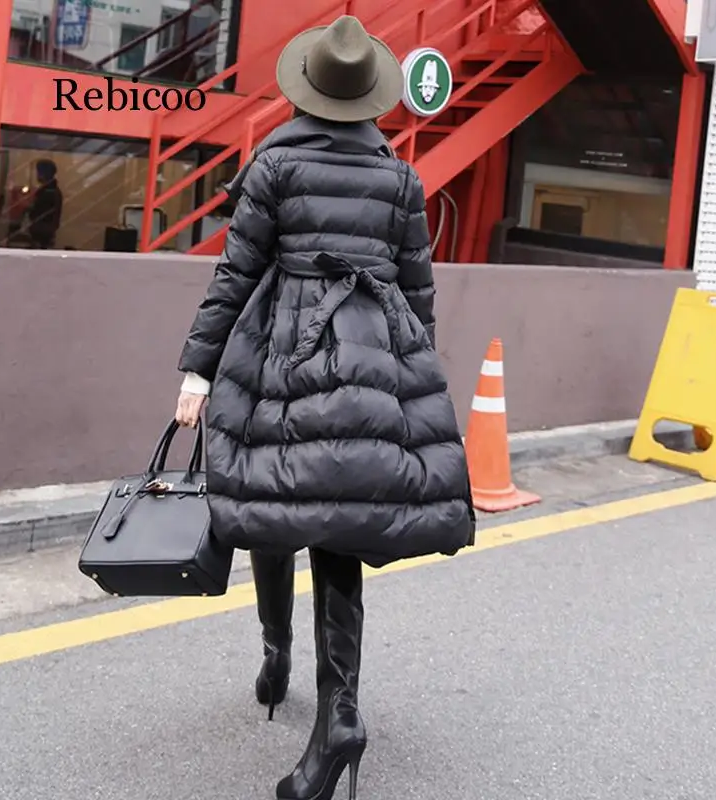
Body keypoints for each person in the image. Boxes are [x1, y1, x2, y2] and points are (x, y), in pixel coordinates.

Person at [174, 15, 475, 800]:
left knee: (273, 499)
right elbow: (418, 293)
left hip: (285, 356)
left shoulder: (273, 167)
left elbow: (235, 276)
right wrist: (412, 376)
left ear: (307, 92)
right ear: (369, 98)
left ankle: (275, 656)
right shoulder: (401, 179)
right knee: (340, 525)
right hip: (376, 362)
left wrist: (198, 370)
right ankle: (340, 711)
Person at [27, 159, 63, 249]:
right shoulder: (53, 191)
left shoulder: (48, 192)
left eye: (38, 172)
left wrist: (28, 208)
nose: (37, 175)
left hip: (41, 234)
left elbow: (38, 212)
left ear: (43, 174)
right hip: (45, 232)